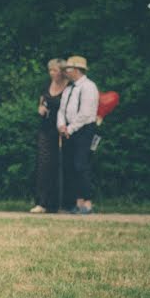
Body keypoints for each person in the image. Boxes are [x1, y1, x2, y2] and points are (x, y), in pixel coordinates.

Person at [57, 55, 99, 214]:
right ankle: (76, 202)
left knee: (81, 165)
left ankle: (87, 202)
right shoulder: (68, 88)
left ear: (76, 70)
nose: (66, 72)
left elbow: (85, 113)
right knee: (69, 167)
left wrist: (71, 128)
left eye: (68, 68)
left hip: (83, 130)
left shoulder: (89, 87)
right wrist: (61, 125)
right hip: (68, 130)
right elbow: (62, 109)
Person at [30, 59, 68, 213]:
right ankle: (42, 202)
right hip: (45, 129)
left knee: (62, 165)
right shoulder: (47, 86)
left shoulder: (69, 88)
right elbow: (42, 102)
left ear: (62, 71)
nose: (52, 73)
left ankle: (61, 203)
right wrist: (40, 109)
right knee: (44, 165)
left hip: (62, 129)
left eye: (55, 70)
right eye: (50, 70)